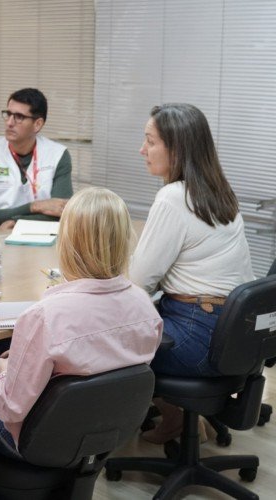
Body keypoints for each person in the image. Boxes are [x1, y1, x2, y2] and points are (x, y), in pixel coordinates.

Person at [0, 187, 162, 460]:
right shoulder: (145, 305)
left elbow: (11, 408)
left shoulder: (45, 317)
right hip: (105, 430)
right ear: (125, 240)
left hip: (38, 441)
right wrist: (27, 358)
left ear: (67, 242)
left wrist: (3, 372)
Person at [130, 103, 254, 444]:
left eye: (150, 141)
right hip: (232, 336)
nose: (142, 149)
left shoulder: (172, 197)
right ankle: (179, 418)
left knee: (111, 339)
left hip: (195, 336)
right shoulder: (218, 192)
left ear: (177, 147)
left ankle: (154, 425)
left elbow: (139, 282)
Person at [0, 88, 73, 234]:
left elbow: (62, 213)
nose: (9, 123)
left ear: (37, 124)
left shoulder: (58, 155)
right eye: (8, 114)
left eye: (19, 117)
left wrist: (15, 223)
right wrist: (36, 207)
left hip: (38, 238)